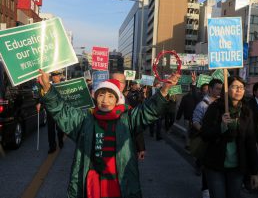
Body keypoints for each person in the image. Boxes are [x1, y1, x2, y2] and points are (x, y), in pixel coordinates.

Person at [38, 69, 179, 198]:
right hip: (92, 183)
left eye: (111, 96)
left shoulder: (128, 118)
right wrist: (47, 88)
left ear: (117, 100)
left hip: (119, 181)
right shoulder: (85, 120)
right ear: (95, 98)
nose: (105, 100)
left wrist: (165, 89)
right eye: (101, 95)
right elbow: (62, 112)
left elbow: (148, 111)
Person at [201, 76, 258, 198]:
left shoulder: (246, 112)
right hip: (215, 165)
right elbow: (205, 134)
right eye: (235, 87)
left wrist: (255, 172)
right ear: (226, 90)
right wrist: (221, 126)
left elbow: (250, 143)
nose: (239, 90)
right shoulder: (215, 108)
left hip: (237, 167)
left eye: (242, 87)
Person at [192, 79, 223, 198]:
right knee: (207, 166)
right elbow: (195, 121)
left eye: (222, 88)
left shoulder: (223, 103)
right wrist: (206, 132)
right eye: (217, 88)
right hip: (208, 141)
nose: (220, 91)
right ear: (210, 89)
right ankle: (205, 188)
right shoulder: (203, 104)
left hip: (220, 141)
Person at [111, 72, 146, 160]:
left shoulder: (127, 102)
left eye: (121, 82)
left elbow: (135, 123)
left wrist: (140, 147)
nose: (117, 84)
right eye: (114, 81)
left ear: (125, 84)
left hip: (125, 147)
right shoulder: (99, 100)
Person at [46, 70, 65, 154]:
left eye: (56, 76)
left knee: (60, 129)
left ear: (60, 77)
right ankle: (52, 147)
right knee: (50, 130)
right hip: (50, 111)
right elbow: (44, 96)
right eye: (53, 76)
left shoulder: (64, 85)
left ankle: (60, 140)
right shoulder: (49, 86)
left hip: (60, 111)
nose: (55, 77)